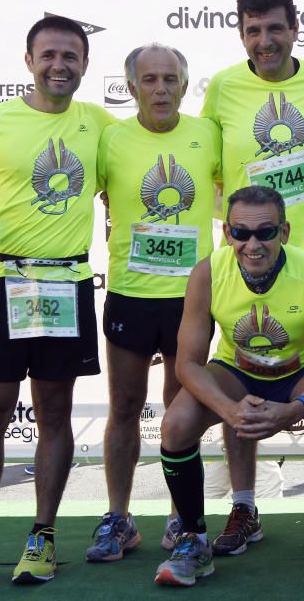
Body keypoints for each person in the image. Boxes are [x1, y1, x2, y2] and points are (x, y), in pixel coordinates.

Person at [0, 16, 114, 590]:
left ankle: (43, 536)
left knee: (55, 413)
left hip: (67, 283)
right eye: (50, 54)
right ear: (29, 59)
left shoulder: (103, 126)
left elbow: (129, 189)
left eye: (71, 56)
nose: (60, 64)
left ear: (85, 64)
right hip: (2, 280)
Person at [153, 186, 304, 587]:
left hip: (301, 369)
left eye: (265, 232)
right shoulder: (208, 271)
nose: (253, 244)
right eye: (241, 233)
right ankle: (193, 539)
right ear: (228, 233)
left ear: (284, 232)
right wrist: (228, 409)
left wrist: (299, 406)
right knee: (176, 423)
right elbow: (187, 364)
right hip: (237, 370)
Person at [201, 0, 304, 555]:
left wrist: (294, 195)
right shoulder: (221, 89)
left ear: (295, 26)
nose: (266, 40)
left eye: (276, 28)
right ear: (242, 32)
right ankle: (243, 506)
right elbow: (209, 164)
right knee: (243, 380)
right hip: (246, 254)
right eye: (254, 30)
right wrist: (246, 229)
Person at [85, 44, 221, 562]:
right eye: (149, 80)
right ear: (132, 87)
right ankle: (118, 517)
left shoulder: (207, 133)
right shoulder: (111, 139)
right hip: (130, 293)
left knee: (179, 411)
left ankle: (179, 516)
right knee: (123, 406)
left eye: (170, 80)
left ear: (185, 86)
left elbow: (235, 193)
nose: (160, 89)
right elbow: (77, 197)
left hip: (191, 298)